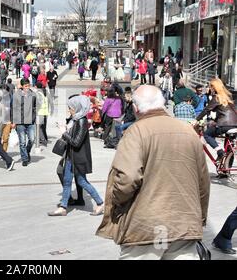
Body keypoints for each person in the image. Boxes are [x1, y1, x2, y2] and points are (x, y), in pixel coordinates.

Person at [96, 85, 210, 260]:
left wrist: (117, 202)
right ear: (163, 104)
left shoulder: (136, 132)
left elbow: (127, 179)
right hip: (183, 225)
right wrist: (199, 218)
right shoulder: (189, 132)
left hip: (147, 226)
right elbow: (203, 182)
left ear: (135, 108)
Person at [48, 95, 104, 216]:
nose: (70, 110)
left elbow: (76, 142)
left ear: (78, 107)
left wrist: (64, 132)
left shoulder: (82, 121)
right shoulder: (76, 120)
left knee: (82, 181)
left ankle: (100, 203)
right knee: (67, 181)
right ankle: (63, 207)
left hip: (78, 157)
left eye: (71, 108)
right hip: (70, 156)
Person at [194, 78, 237, 165]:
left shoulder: (217, 97)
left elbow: (206, 110)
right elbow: (224, 111)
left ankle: (220, 152)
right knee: (229, 146)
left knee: (207, 134)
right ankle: (225, 169)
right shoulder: (228, 96)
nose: (210, 89)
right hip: (235, 124)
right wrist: (215, 121)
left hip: (224, 124)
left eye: (211, 87)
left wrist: (196, 120)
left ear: (215, 87)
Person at [11, 78, 37, 166]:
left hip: (30, 121)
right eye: (25, 86)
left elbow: (36, 105)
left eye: (28, 85)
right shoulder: (16, 95)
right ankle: (24, 158)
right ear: (22, 86)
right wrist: (13, 121)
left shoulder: (33, 94)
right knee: (22, 141)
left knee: (32, 139)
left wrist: (34, 115)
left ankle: (27, 151)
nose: (27, 87)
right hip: (20, 122)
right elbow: (13, 109)